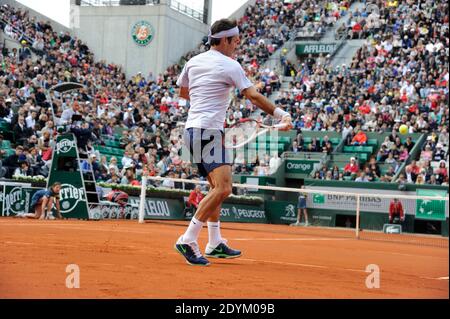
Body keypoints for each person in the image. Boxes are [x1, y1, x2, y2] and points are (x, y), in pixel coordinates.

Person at [174, 18, 293, 266]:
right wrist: (280, 114)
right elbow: (253, 95)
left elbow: (184, 93)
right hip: (207, 131)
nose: (237, 46)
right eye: (235, 41)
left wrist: (210, 105)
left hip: (193, 131)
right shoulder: (230, 65)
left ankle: (215, 242)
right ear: (225, 40)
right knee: (224, 188)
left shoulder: (193, 62)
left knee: (215, 188)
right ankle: (188, 238)